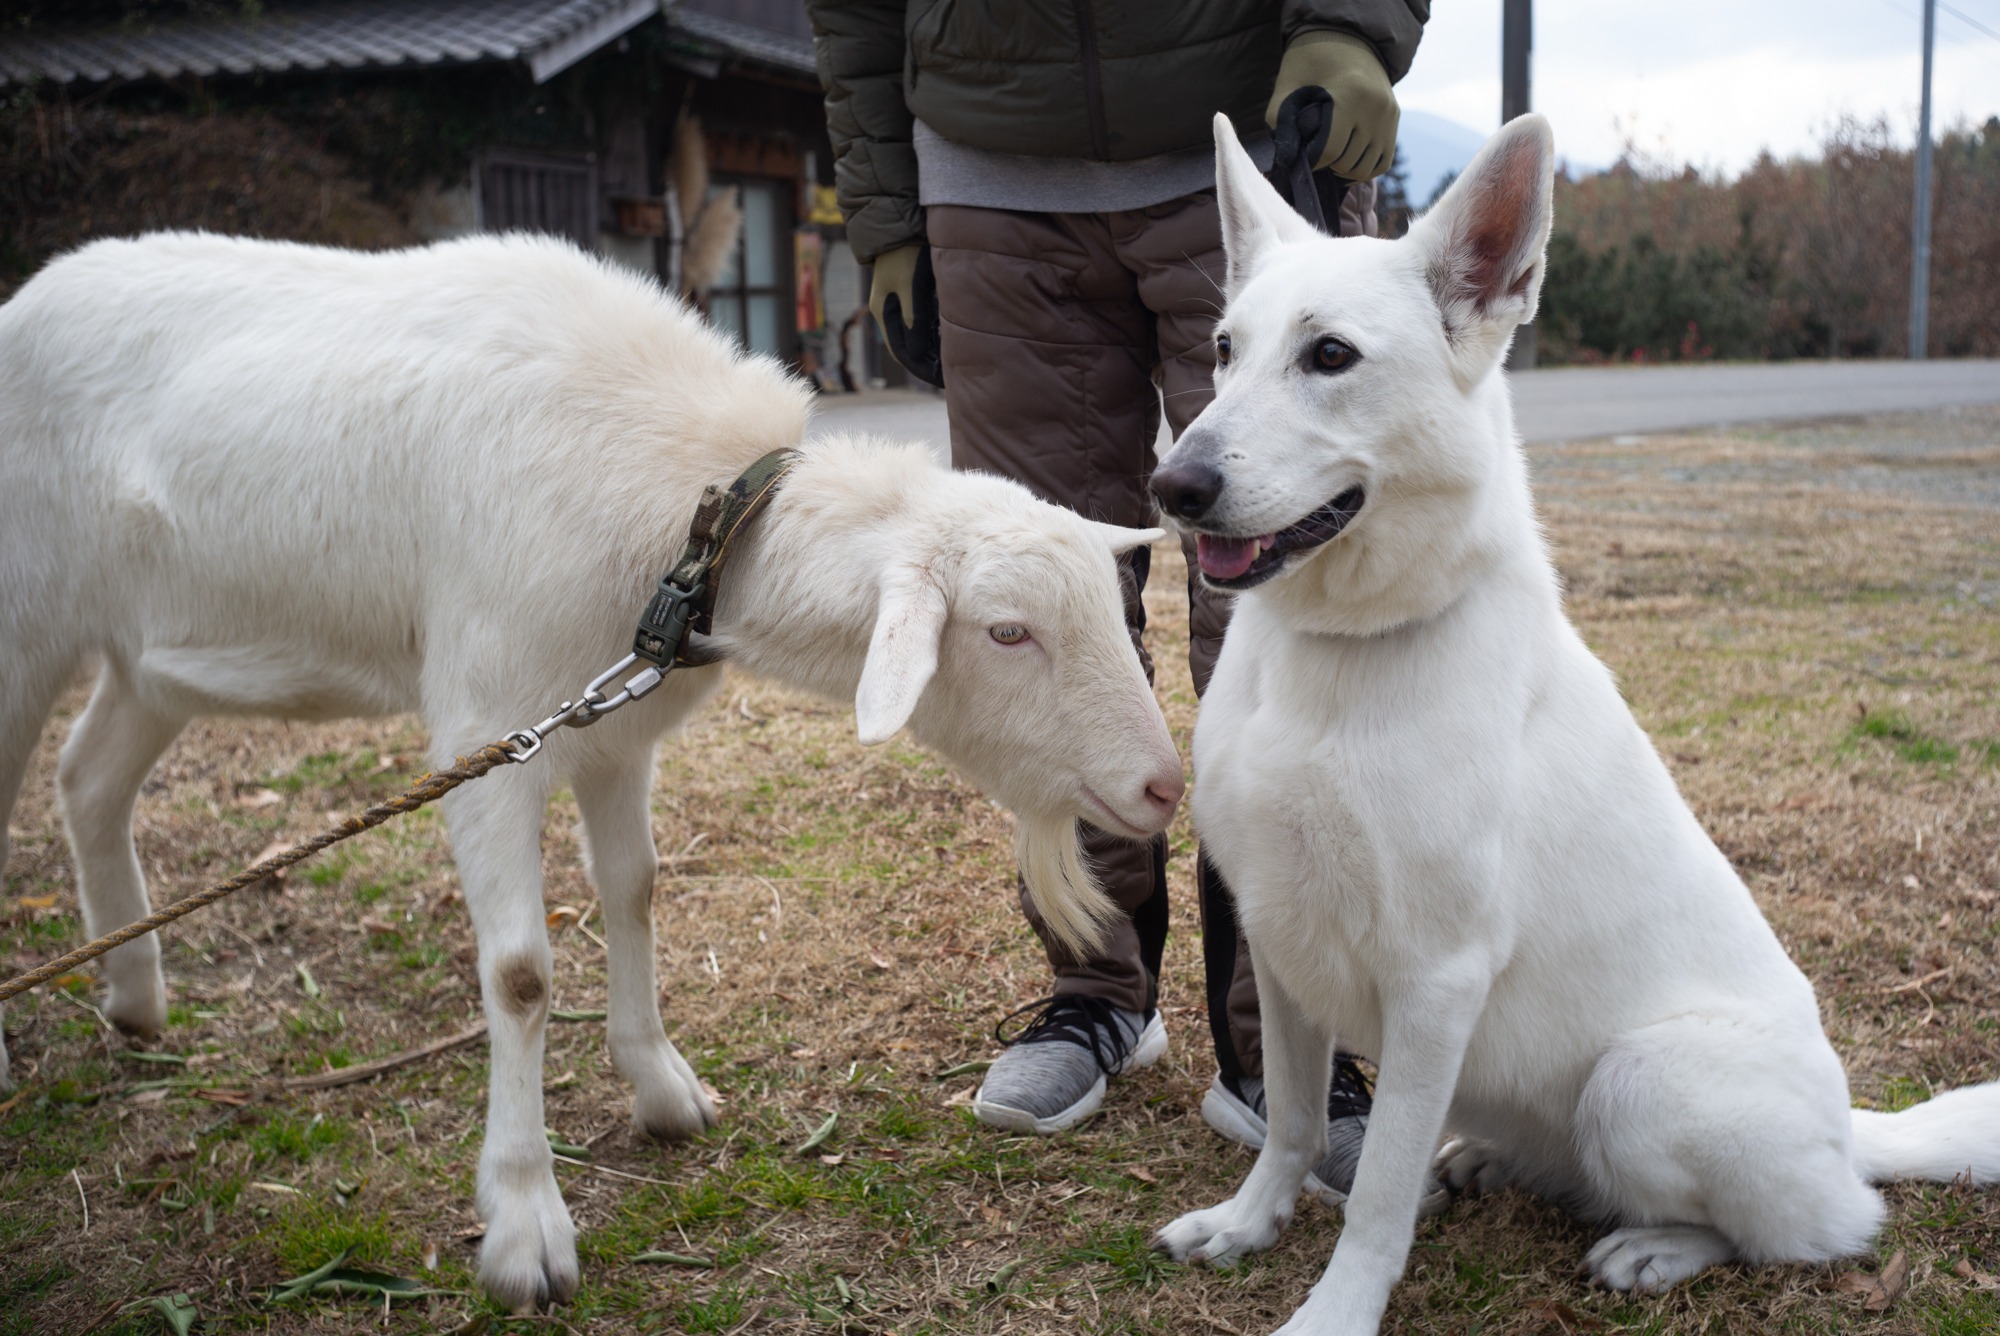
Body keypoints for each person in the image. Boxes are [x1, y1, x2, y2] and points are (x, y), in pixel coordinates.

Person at [806, 0, 1438, 1205]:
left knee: (1279, 621)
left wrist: (1351, 26)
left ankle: (1292, 1050)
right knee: (1038, 621)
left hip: (1255, 150)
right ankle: (1095, 993)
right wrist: (884, 211)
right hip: (990, 179)